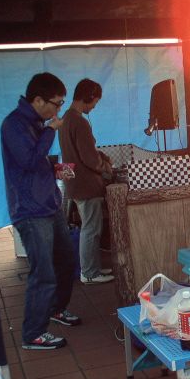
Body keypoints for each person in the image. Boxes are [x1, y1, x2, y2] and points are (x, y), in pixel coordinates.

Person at [1, 73, 80, 350]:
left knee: (66, 261)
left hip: (49, 204)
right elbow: (28, 161)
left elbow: (37, 163)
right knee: (43, 272)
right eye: (56, 104)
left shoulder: (35, 123)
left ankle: (56, 309)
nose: (58, 111)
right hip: (30, 210)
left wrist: (55, 170)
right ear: (38, 100)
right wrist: (51, 130)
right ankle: (33, 333)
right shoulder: (13, 124)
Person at [59, 78, 114, 285]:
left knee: (88, 228)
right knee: (91, 230)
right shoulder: (80, 122)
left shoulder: (65, 119)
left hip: (74, 183)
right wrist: (105, 166)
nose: (94, 107)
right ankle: (90, 273)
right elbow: (89, 159)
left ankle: (92, 268)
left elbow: (75, 153)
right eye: (95, 102)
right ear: (89, 97)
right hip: (86, 185)